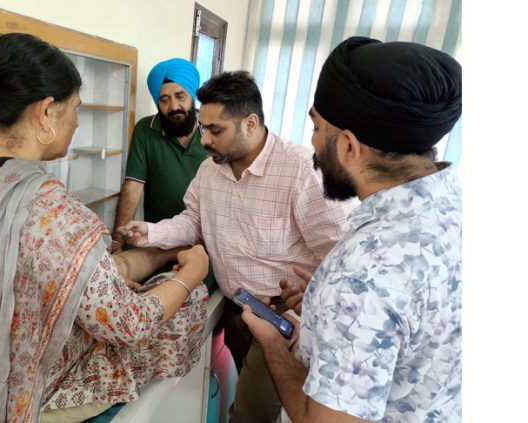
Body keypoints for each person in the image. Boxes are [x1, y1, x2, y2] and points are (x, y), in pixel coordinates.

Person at [0, 33, 210, 423]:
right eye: (75, 108)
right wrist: (192, 273)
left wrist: (128, 262)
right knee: (190, 300)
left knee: (126, 274)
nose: (78, 122)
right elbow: (129, 324)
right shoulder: (50, 209)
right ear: (46, 112)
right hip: (2, 390)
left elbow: (12, 270)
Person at [241, 36, 462, 422]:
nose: (311, 143)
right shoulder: (458, 208)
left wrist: (272, 341)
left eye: (316, 127)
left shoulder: (363, 276)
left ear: (348, 146)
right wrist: (321, 314)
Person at [121, 70, 356, 423]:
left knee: (250, 413)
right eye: (204, 127)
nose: (205, 140)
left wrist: (300, 313)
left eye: (217, 130)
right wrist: (152, 233)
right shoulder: (210, 170)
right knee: (257, 404)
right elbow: (192, 222)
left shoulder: (300, 171)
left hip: (282, 316)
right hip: (238, 308)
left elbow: (341, 253)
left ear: (250, 123)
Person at [110, 58, 207, 254]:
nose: (173, 106)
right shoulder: (146, 130)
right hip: (154, 240)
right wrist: (117, 241)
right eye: (164, 99)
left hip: (202, 244)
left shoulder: (214, 133)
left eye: (180, 96)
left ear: (193, 96)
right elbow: (133, 187)